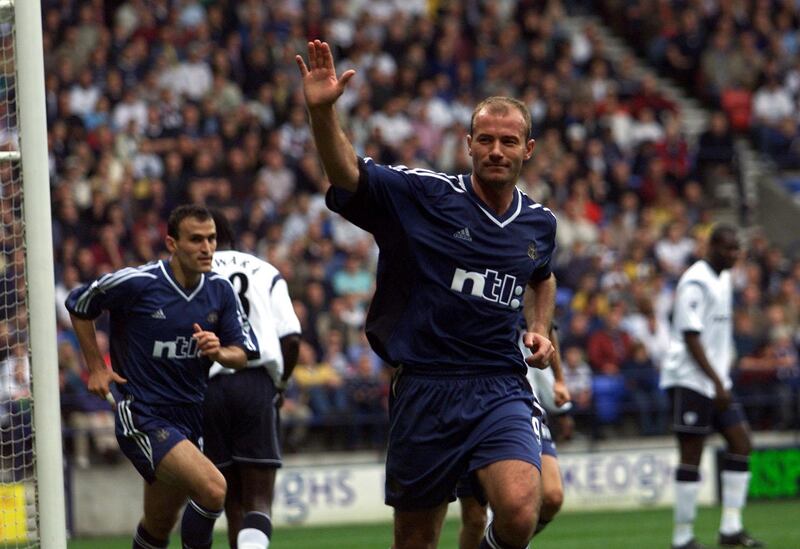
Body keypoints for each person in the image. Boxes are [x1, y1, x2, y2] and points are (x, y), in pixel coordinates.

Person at [296, 40, 557, 549]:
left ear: (528, 149)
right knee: (416, 540)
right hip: (425, 387)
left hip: (499, 383)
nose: (496, 151)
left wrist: (540, 329)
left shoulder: (539, 223)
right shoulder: (425, 196)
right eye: (485, 140)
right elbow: (347, 173)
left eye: (508, 141)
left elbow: (541, 276)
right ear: (468, 144)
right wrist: (323, 113)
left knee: (523, 509)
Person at [65, 204, 257, 549]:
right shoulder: (139, 283)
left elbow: (242, 354)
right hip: (143, 413)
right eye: (196, 239)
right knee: (214, 489)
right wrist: (95, 366)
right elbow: (80, 303)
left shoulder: (220, 291)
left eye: (211, 238)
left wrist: (219, 352)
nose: (207, 248)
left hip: (189, 418)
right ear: (171, 243)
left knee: (158, 524)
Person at [660, 224, 764, 549]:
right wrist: (717, 381)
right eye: (729, 249)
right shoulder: (695, 280)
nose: (734, 255)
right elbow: (690, 335)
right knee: (692, 453)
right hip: (690, 379)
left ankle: (730, 528)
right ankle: (683, 537)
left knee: (741, 442)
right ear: (711, 248)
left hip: (716, 380)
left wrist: (722, 377)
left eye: (737, 250)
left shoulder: (723, 278)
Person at [203, 211, 301, 549]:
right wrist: (281, 384)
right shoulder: (266, 272)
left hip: (209, 388)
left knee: (231, 504)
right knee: (258, 500)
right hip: (255, 383)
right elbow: (291, 338)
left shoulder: (191, 274)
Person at [458, 325, 572, 549]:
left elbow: (546, 327)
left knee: (551, 496)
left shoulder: (523, 296)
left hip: (519, 401)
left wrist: (559, 380)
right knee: (475, 518)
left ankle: (512, 541)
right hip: (465, 398)